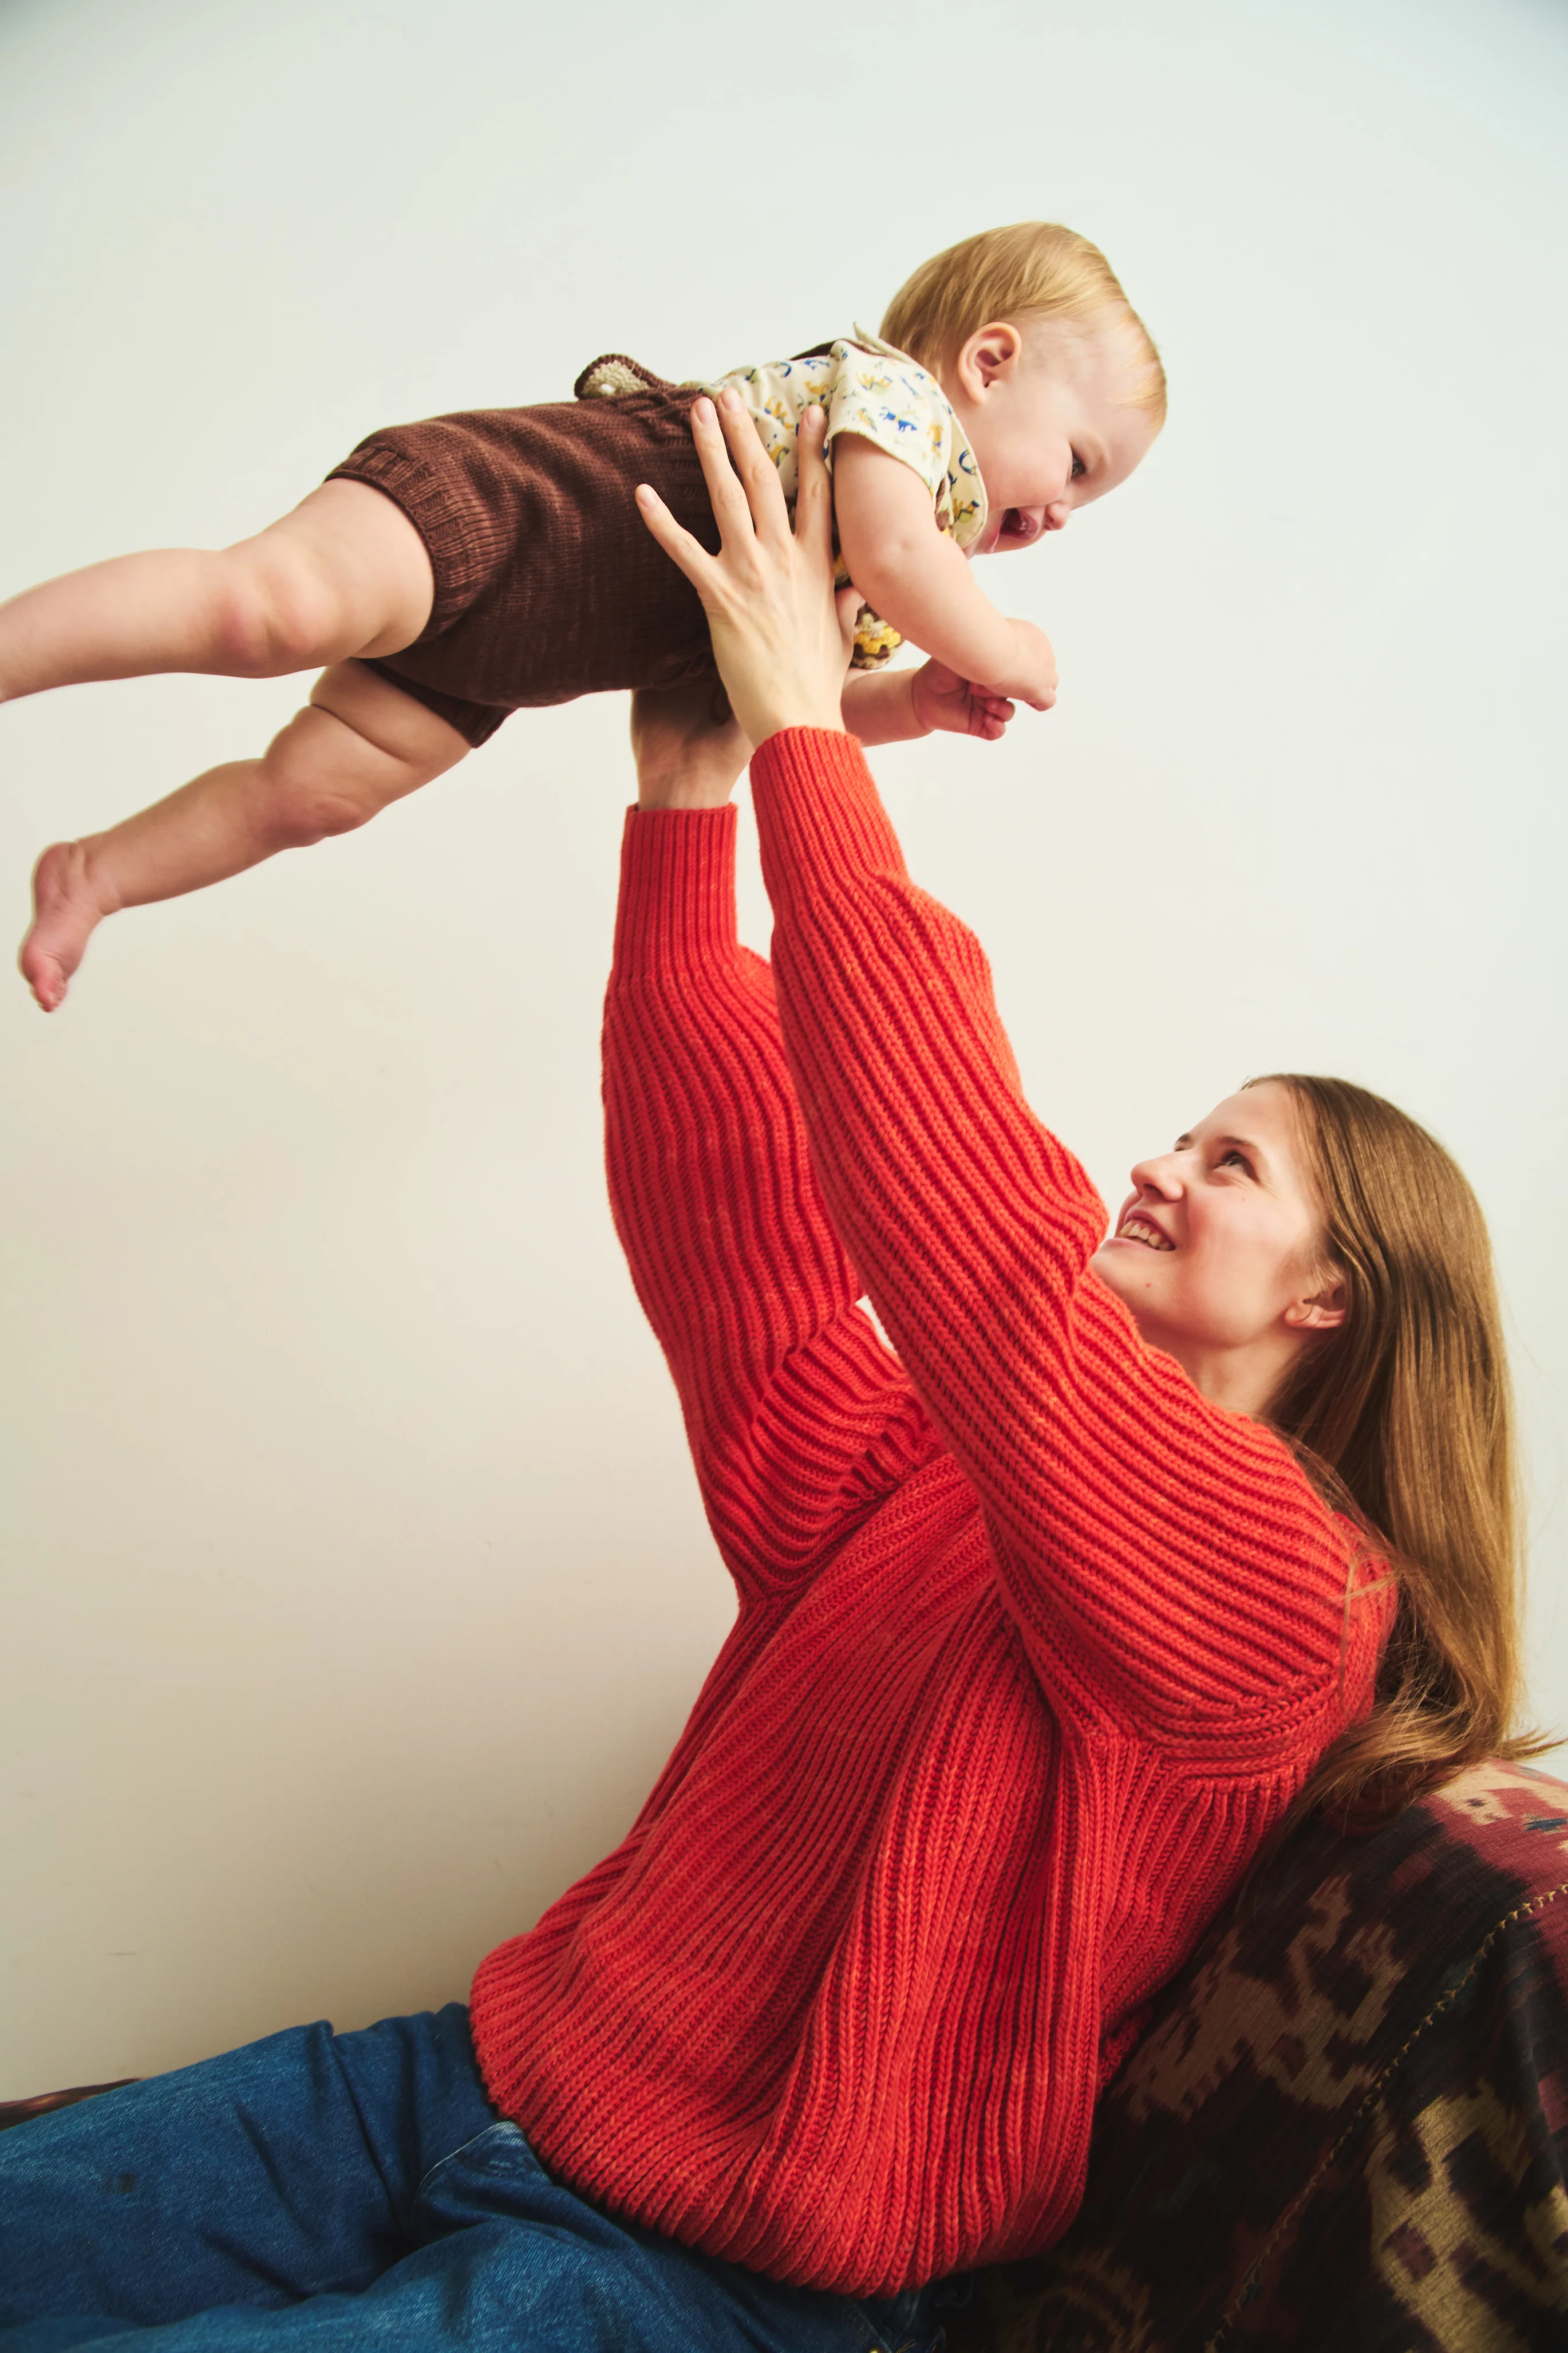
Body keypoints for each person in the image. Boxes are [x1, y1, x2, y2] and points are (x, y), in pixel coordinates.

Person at [0, 396, 1537, 2352]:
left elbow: (979, 1253)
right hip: (464, 2079)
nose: (1154, 1160)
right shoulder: (954, 1478)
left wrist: (816, 734)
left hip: (717, 2269)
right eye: (1181, 1129)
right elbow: (749, 1273)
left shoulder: (1284, 1588)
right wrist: (687, 796)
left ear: (1336, 1296)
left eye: (1228, 1162)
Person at [2, 220, 1164, 1011]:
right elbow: (905, 553)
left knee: (313, 794)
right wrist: (1006, 646)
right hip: (500, 512)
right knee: (269, 611)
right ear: (988, 363)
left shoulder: (876, 564)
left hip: (496, 662)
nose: (1062, 511)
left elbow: (790, 702)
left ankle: (97, 876)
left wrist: (912, 698)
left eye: (1089, 502)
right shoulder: (893, 417)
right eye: (1075, 465)